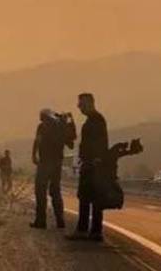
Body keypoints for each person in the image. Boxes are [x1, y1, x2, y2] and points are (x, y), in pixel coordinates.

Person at [68, 92, 108, 242]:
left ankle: (87, 230)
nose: (79, 107)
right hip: (90, 163)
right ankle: (92, 231)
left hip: (93, 165)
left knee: (87, 197)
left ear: (90, 103)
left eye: (81, 104)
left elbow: (100, 143)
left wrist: (95, 160)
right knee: (90, 197)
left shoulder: (96, 120)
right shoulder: (93, 120)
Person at [29, 108, 74, 229]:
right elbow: (71, 143)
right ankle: (60, 221)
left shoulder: (42, 127)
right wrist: (69, 121)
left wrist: (34, 155)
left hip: (45, 162)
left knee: (40, 191)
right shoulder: (61, 126)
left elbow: (37, 141)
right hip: (57, 163)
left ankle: (41, 221)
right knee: (55, 191)